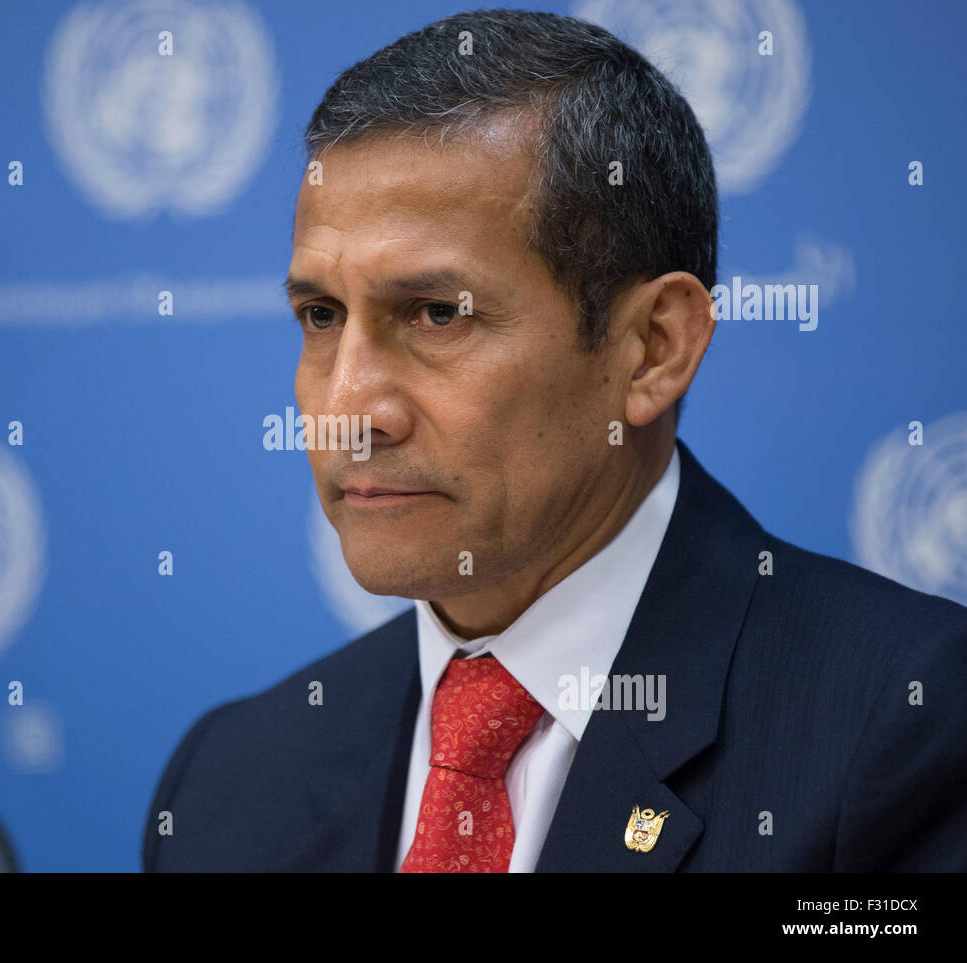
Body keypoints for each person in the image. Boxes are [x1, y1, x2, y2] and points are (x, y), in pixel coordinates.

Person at [143, 9, 967, 872]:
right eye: (321, 315)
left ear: (652, 348)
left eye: (436, 314)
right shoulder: (227, 782)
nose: (348, 405)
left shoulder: (897, 724)